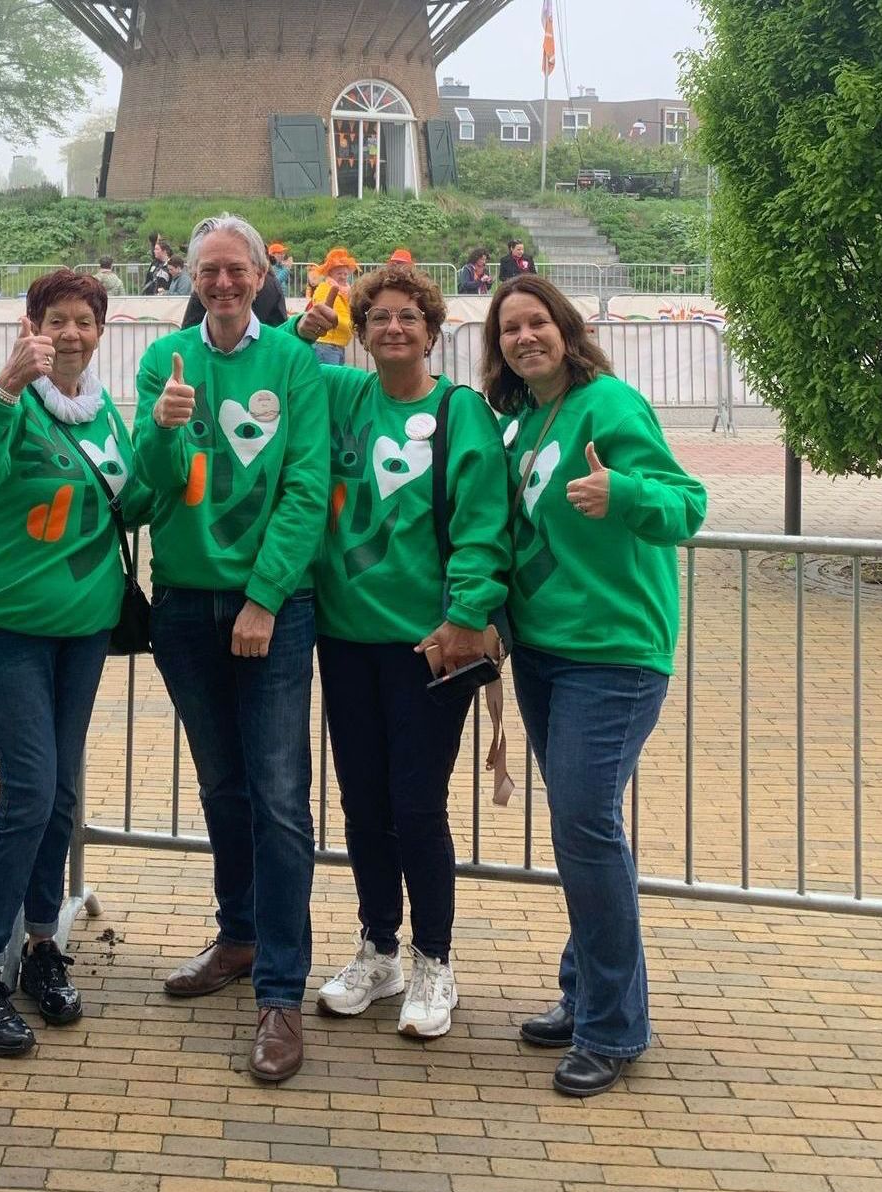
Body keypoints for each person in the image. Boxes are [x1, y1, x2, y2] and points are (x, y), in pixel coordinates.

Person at [484, 275, 706, 1096]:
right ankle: (586, 996)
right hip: (544, 651)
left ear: (565, 328)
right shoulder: (520, 422)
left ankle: (615, 1026)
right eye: (509, 328)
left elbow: (687, 505)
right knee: (580, 827)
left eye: (536, 321)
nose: (524, 337)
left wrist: (624, 494)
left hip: (614, 651)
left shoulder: (608, 406)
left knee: (586, 824)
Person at [290, 263, 510, 1039]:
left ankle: (435, 960)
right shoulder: (346, 393)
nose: (391, 330)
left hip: (428, 644)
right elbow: (275, 389)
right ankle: (378, 945)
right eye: (377, 317)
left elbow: (483, 519)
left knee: (417, 805)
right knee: (362, 802)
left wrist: (466, 614)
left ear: (431, 329)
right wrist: (299, 333)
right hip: (346, 636)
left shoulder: (461, 412)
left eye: (406, 318)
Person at [133, 214, 328, 1083]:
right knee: (221, 781)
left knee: (280, 792)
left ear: (260, 274)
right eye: (207, 270)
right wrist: (168, 426)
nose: (221, 283)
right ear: (193, 280)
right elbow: (148, 488)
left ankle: (281, 991)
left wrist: (263, 596)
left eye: (235, 269)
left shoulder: (292, 359)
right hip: (183, 600)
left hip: (271, 607)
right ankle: (240, 934)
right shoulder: (164, 362)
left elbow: (306, 484)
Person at [0, 270, 154, 1056]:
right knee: (28, 788)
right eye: (54, 320)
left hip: (85, 622)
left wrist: (166, 435)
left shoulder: (105, 413)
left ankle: (37, 945)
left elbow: (135, 501)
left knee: (59, 791)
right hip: (7, 619)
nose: (69, 334)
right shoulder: (4, 398)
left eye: (83, 321)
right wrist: (0, 390)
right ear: (31, 326)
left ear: (101, 331)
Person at [308, 248, 357, 366]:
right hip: (327, 345)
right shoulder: (325, 288)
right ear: (330, 273)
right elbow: (324, 313)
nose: (343, 277)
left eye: (345, 274)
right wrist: (353, 326)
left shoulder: (345, 292)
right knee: (330, 382)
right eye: (339, 273)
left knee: (335, 382)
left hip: (337, 345)